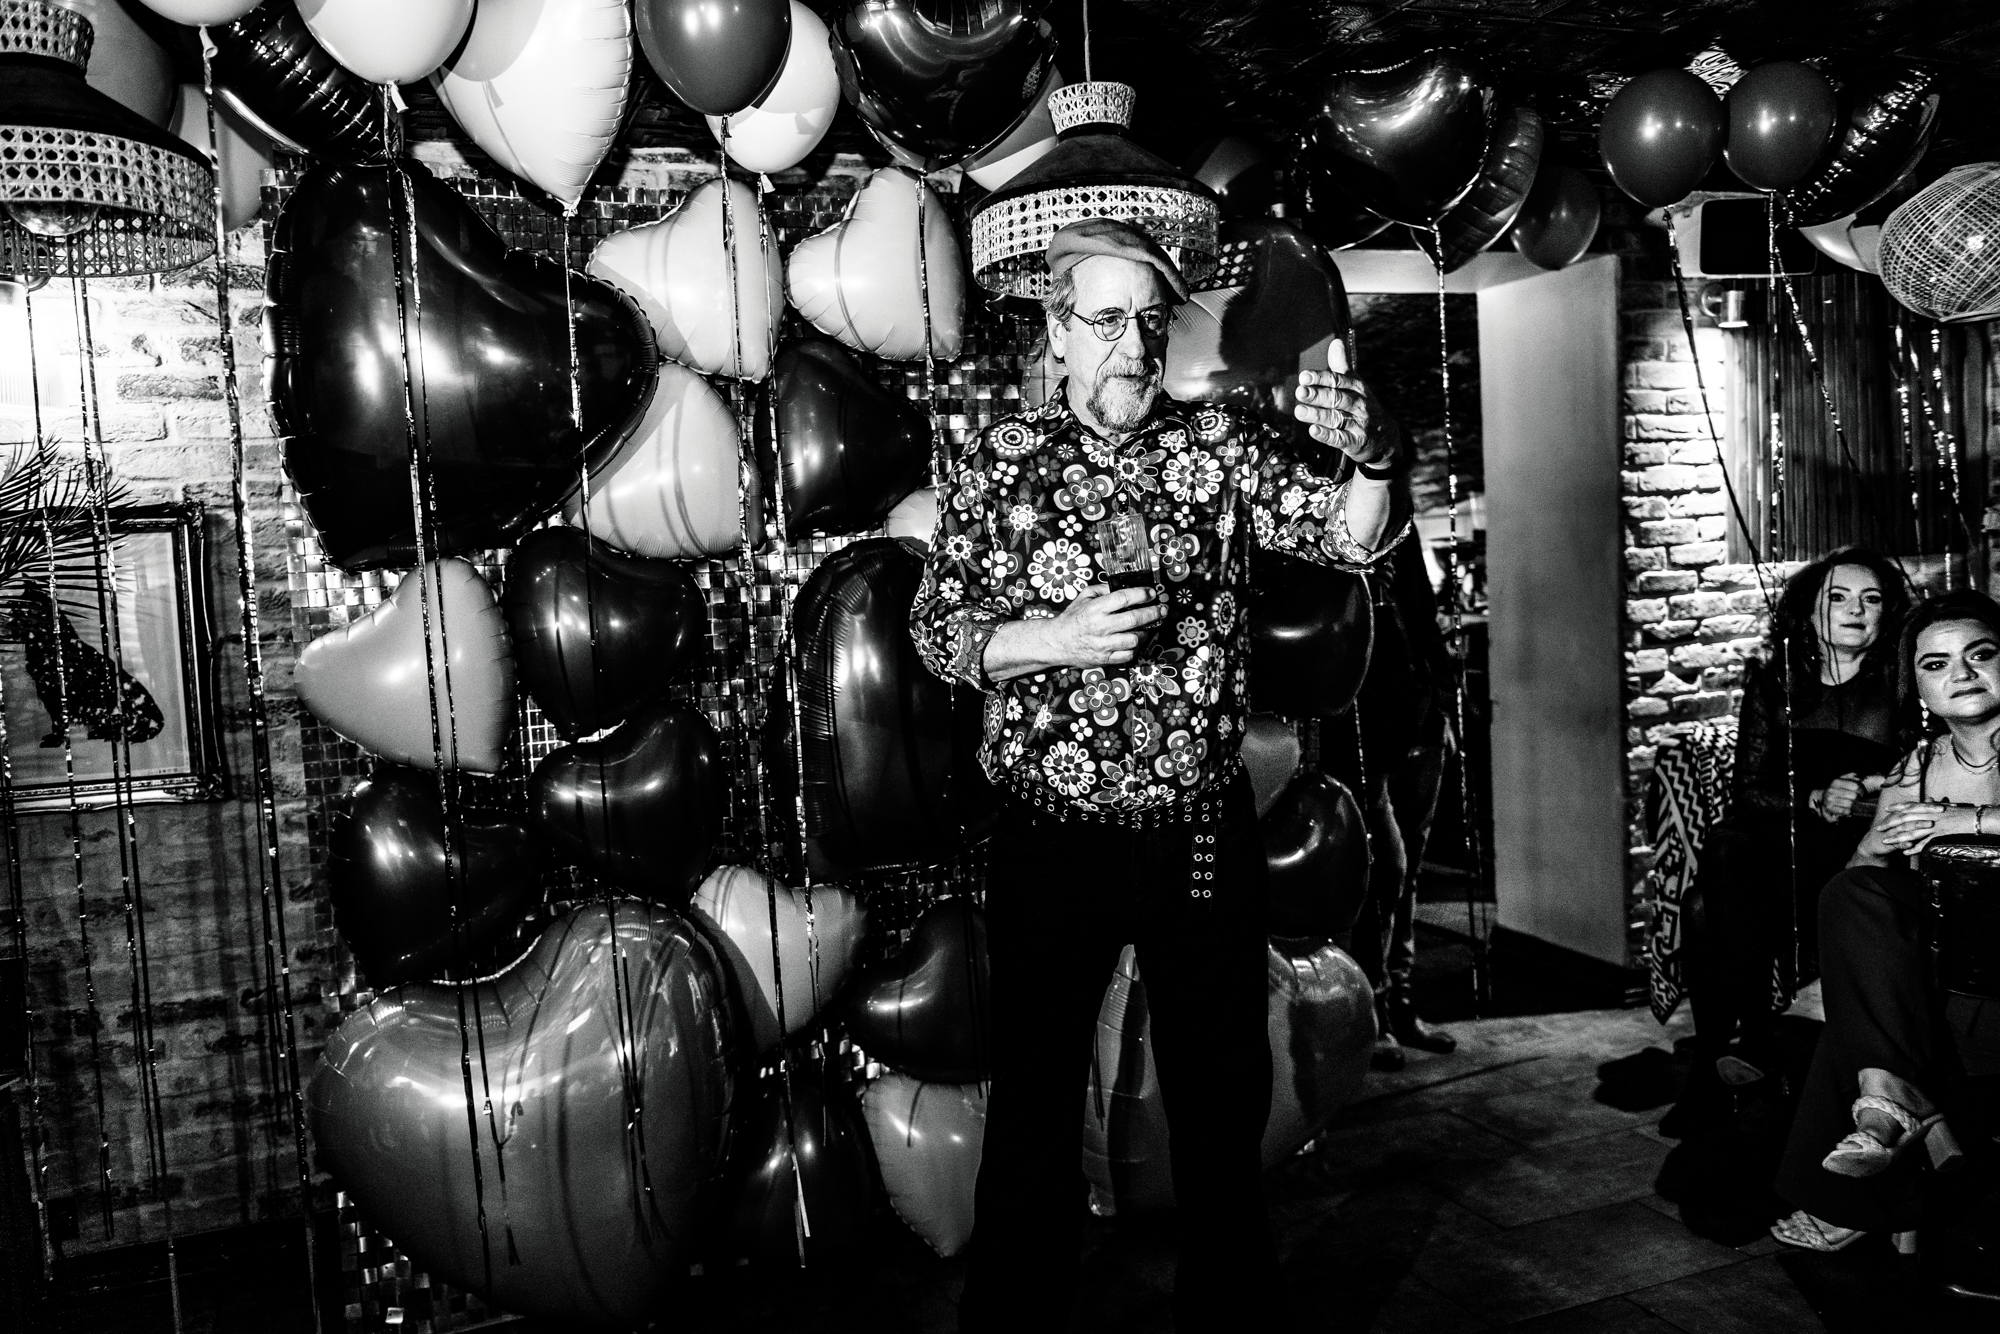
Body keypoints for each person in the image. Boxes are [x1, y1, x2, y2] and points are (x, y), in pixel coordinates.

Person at [909, 217, 1408, 1331]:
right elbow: (939, 629)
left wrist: (1377, 458)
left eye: (1147, 319)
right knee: (1033, 1108)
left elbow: (1346, 532)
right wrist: (1052, 638)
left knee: (1220, 1107)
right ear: (1056, 331)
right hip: (1050, 836)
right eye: (1104, 320)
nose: (1131, 344)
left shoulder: (1217, 446)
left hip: (1195, 834)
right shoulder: (997, 463)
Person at [1771, 589, 2000, 1251]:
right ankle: (1888, 1102)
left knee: (1861, 1011)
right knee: (1852, 895)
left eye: (1982, 654)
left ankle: (1868, 1176)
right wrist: (1875, 844)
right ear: (1918, 688)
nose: (1962, 673)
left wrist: (1966, 821)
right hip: (1946, 977)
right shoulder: (1917, 767)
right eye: (1936, 663)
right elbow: (1859, 885)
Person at [1665, 549, 1913, 1133]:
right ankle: (1752, 1040)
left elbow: (1919, 775)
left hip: (1852, 852)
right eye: (1837, 597)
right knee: (1726, 849)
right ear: (1808, 610)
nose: (1855, 610)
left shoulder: (1901, 684)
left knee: (1701, 911)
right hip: (1775, 842)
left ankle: (1732, 1058)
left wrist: (1867, 792)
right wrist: (1813, 797)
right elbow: (1750, 790)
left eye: (1871, 599)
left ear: (1887, 614)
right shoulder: (1775, 680)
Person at [1322, 519, 1458, 1067]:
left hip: (1420, 718)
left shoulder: (1403, 529)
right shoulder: (1331, 530)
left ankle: (1400, 1004)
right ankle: (1372, 1011)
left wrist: (1443, 704)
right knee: (1385, 870)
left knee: (1409, 871)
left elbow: (1423, 616)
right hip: (1364, 732)